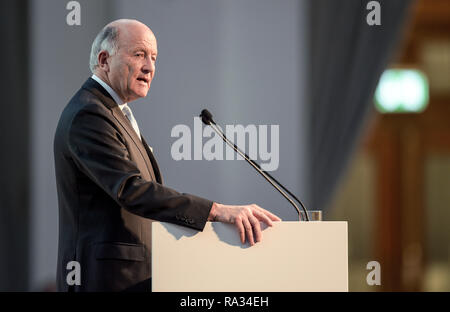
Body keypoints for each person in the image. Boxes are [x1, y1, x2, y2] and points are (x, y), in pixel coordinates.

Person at [54, 19, 281, 292]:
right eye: (139, 54)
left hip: (130, 278)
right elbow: (131, 190)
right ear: (104, 60)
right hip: (105, 280)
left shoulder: (114, 112)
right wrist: (217, 211)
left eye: (154, 58)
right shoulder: (89, 114)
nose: (150, 67)